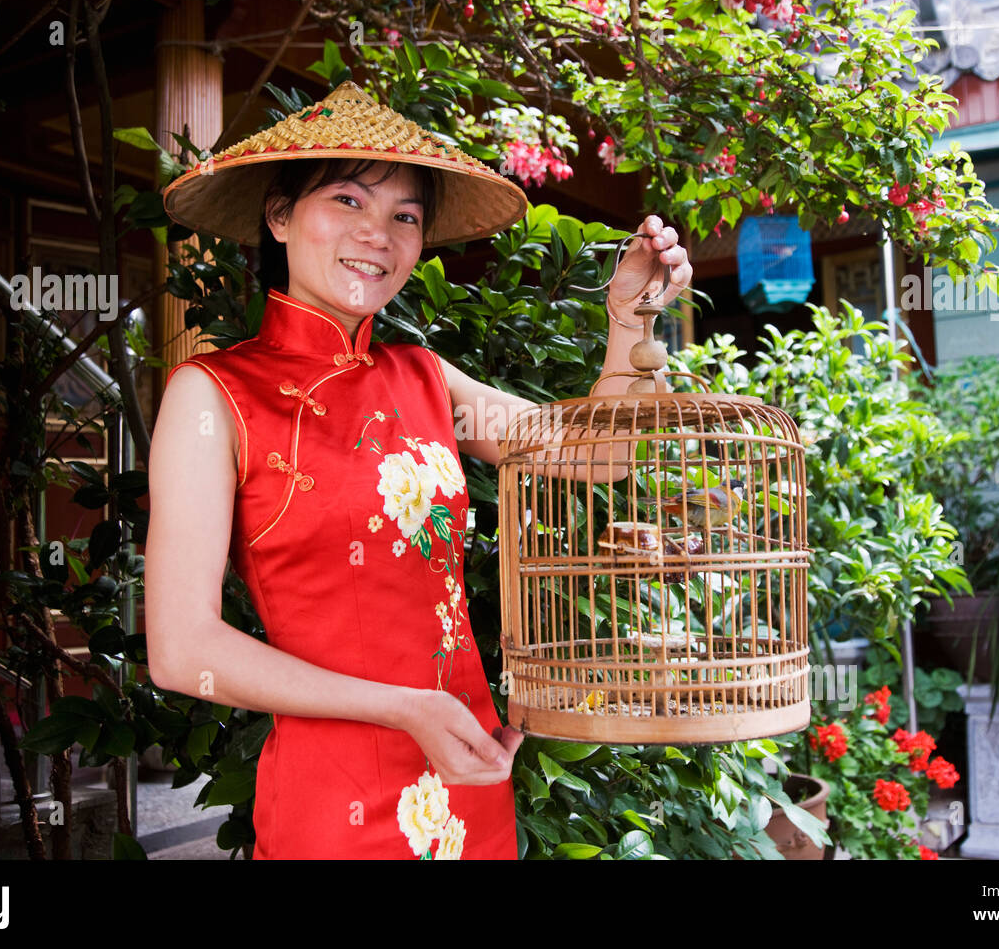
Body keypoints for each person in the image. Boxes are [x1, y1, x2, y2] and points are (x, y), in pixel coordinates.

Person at [147, 81, 691, 859]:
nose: (379, 235)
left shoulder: (425, 378)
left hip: (468, 781)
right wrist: (407, 709)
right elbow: (181, 649)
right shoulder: (215, 395)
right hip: (334, 806)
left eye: (404, 216)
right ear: (278, 216)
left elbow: (598, 456)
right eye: (347, 202)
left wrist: (628, 320)